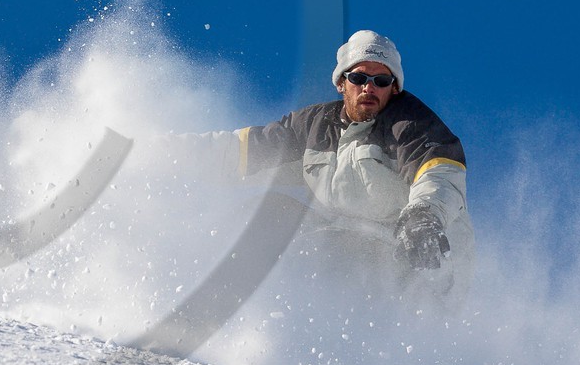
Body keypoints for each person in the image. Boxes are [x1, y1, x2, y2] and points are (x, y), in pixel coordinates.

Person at [187, 29, 474, 300]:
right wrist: (161, 153)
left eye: (381, 81)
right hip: (350, 241)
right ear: (341, 82)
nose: (368, 88)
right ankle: (203, 298)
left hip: (422, 261)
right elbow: (242, 152)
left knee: (331, 252)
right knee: (266, 216)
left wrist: (423, 218)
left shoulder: (411, 125)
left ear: (394, 88)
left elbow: (440, 174)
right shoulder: (314, 127)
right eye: (359, 78)